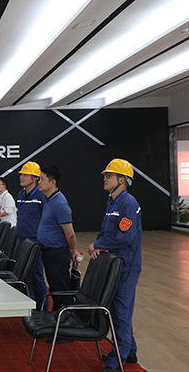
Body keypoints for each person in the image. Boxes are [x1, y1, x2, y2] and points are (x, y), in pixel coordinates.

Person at [89, 159, 142, 372]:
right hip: (114, 264)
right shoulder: (112, 201)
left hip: (126, 266)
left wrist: (99, 244)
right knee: (118, 311)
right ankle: (129, 352)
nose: (105, 178)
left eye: (109, 175)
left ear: (122, 179)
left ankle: (115, 362)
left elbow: (126, 237)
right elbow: (106, 231)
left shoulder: (128, 203)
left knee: (120, 312)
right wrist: (98, 245)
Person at [36, 165, 78, 311]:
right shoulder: (49, 200)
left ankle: (65, 318)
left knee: (61, 291)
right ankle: (57, 318)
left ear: (52, 182)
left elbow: (70, 233)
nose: (39, 182)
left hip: (57, 253)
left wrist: (72, 250)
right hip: (49, 252)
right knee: (55, 289)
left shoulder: (59, 203)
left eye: (42, 179)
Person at [16, 161, 48, 309]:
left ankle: (43, 309)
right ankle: (32, 305)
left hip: (35, 243)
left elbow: (45, 219)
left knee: (37, 276)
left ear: (35, 178)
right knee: (27, 277)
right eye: (21, 174)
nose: (21, 177)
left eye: (25, 175)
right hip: (21, 241)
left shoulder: (41, 195)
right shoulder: (20, 194)